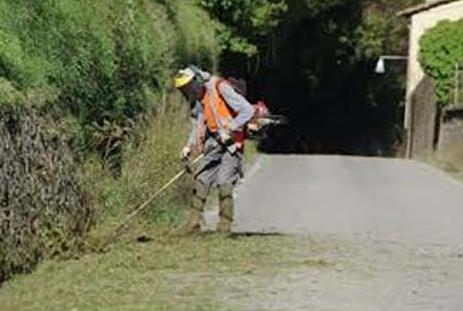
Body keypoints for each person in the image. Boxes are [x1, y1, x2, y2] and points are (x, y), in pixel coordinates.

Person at [174, 66, 254, 234]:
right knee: (201, 179)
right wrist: (189, 146)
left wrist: (230, 129)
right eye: (183, 89)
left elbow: (248, 110)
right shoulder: (197, 100)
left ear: (196, 81)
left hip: (232, 144)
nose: (187, 92)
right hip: (213, 143)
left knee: (224, 182)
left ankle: (224, 227)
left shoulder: (220, 87)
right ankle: (193, 224)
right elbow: (197, 126)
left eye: (188, 87)